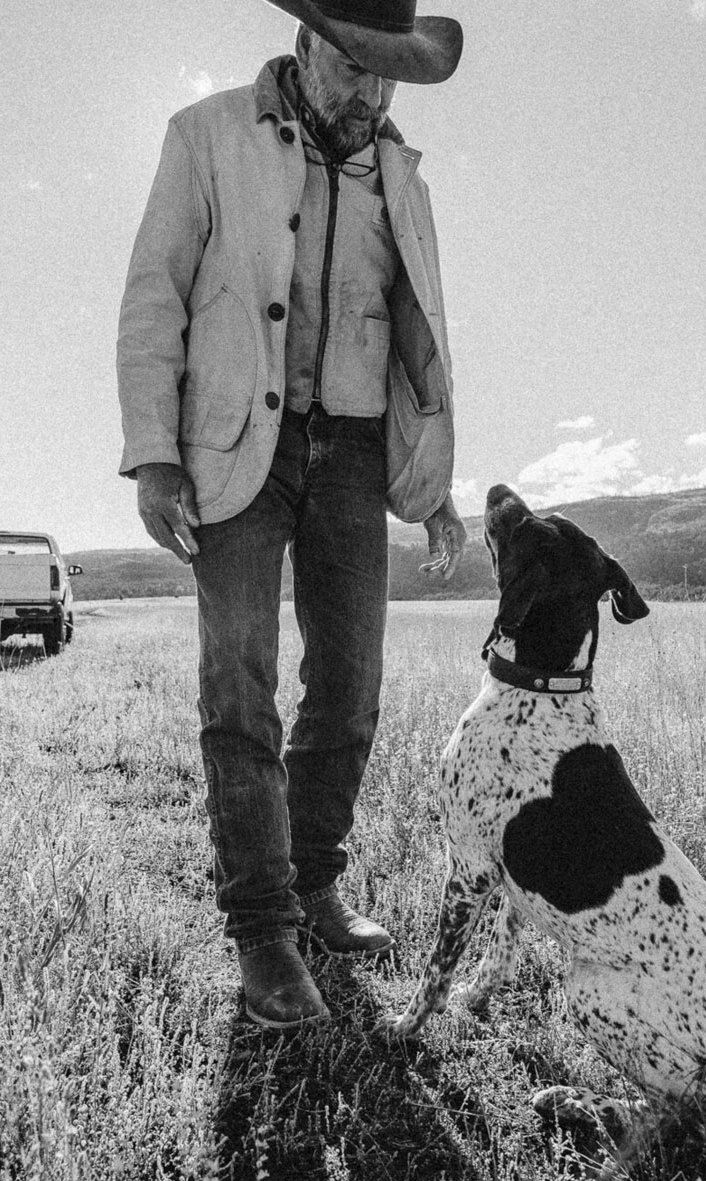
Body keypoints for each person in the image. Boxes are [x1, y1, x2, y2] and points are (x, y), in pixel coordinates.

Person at [117, 0, 467, 1028]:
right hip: (237, 452)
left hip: (355, 453)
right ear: (310, 46)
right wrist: (151, 455)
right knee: (240, 687)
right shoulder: (207, 135)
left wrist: (434, 483)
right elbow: (155, 296)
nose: (371, 92)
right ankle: (263, 929)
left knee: (351, 685)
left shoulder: (401, 174)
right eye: (356, 67)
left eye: (388, 74)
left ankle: (315, 883)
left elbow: (417, 339)